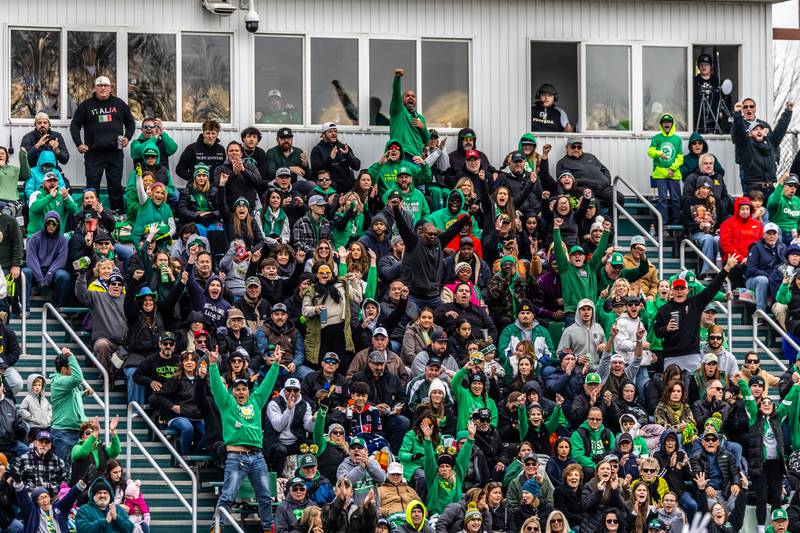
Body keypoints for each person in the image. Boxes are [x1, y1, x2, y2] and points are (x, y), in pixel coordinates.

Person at [209, 347, 279, 531]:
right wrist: (213, 366)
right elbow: (216, 387)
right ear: (233, 392)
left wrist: (276, 365)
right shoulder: (227, 403)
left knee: (265, 496)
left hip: (257, 457)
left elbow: (267, 385)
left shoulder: (256, 401)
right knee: (227, 496)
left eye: (244, 389)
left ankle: (267, 528)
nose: (241, 392)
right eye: (237, 389)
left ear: (248, 391)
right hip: (235, 457)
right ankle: (217, 527)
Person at [654, 254, 739, 373]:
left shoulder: (695, 304)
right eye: (676, 289)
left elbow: (712, 288)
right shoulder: (664, 309)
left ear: (687, 290)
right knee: (672, 390)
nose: (679, 292)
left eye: (682, 289)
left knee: (692, 390)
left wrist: (726, 269)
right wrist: (666, 329)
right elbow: (657, 331)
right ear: (672, 291)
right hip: (671, 357)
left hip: (692, 357)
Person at [69, 76, 135, 213]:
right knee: (92, 187)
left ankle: (117, 215)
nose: (103, 88)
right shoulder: (86, 105)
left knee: (115, 186)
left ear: (111, 88)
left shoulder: (119, 104)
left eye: (106, 85)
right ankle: (90, 215)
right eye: (100, 85)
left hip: (115, 152)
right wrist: (79, 144)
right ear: (95, 88)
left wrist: (128, 137)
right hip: (94, 153)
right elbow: (75, 125)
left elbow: (130, 123)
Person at [732, 100, 792, 197]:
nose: (759, 131)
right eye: (755, 129)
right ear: (749, 134)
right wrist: (737, 114)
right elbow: (739, 133)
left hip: (770, 186)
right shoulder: (746, 145)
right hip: (754, 188)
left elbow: (779, 131)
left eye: (761, 129)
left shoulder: (769, 144)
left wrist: (788, 112)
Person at [555, 138, 620, 210]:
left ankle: (609, 220)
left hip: (604, 188)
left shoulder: (590, 156)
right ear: (567, 147)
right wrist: (562, 196)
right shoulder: (562, 162)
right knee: (593, 202)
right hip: (584, 189)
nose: (576, 149)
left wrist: (607, 180)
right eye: (573, 147)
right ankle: (596, 220)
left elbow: (604, 170)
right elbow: (561, 181)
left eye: (579, 147)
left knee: (619, 198)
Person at [49, 348, 88, 462]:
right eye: (70, 366)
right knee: (65, 471)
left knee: (77, 470)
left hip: (75, 431)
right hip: (63, 433)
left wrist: (83, 394)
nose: (72, 369)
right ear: (63, 369)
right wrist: (70, 355)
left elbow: (70, 398)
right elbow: (78, 378)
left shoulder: (65, 383)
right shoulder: (58, 381)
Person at [648, 113, 684, 225]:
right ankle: (663, 223)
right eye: (664, 122)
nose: (666, 124)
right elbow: (650, 152)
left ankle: (676, 224)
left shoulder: (677, 139)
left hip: (674, 174)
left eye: (669, 122)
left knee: (676, 199)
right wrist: (660, 153)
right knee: (662, 199)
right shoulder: (656, 138)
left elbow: (680, 157)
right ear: (661, 124)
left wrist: (672, 168)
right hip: (660, 174)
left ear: (672, 124)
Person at [310, 123, 361, 194]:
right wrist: (330, 159)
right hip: (330, 186)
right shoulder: (317, 149)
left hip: (347, 184)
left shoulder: (343, 147)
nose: (334, 133)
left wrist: (347, 155)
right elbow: (315, 170)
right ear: (323, 135)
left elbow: (357, 166)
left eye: (335, 131)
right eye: (330, 132)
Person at [13, 430, 66, 497]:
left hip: (51, 500)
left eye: (47, 442)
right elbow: (16, 482)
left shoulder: (59, 462)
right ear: (35, 443)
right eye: (41, 442)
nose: (43, 444)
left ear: (50, 445)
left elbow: (64, 482)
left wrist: (55, 490)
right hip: (29, 500)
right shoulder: (22, 459)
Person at [390, 69, 430, 159]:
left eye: (413, 96)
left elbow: (427, 140)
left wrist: (423, 128)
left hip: (416, 157)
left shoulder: (420, 118)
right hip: (401, 154)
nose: (411, 97)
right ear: (401, 99)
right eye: (407, 96)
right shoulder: (398, 111)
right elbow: (396, 94)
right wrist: (397, 78)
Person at [746, 222, 785, 313]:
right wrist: (768, 275)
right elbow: (750, 269)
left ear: (778, 235)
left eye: (774, 233)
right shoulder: (756, 247)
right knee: (763, 280)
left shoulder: (782, 247)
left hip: (775, 278)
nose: (771, 236)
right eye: (768, 233)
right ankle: (761, 312)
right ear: (763, 235)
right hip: (754, 280)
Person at [767, 174, 800, 246]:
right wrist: (780, 184)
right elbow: (774, 203)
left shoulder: (797, 200)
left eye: (795, 186)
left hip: (794, 232)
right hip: (780, 231)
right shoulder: (777, 197)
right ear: (784, 185)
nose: (793, 188)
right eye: (790, 185)